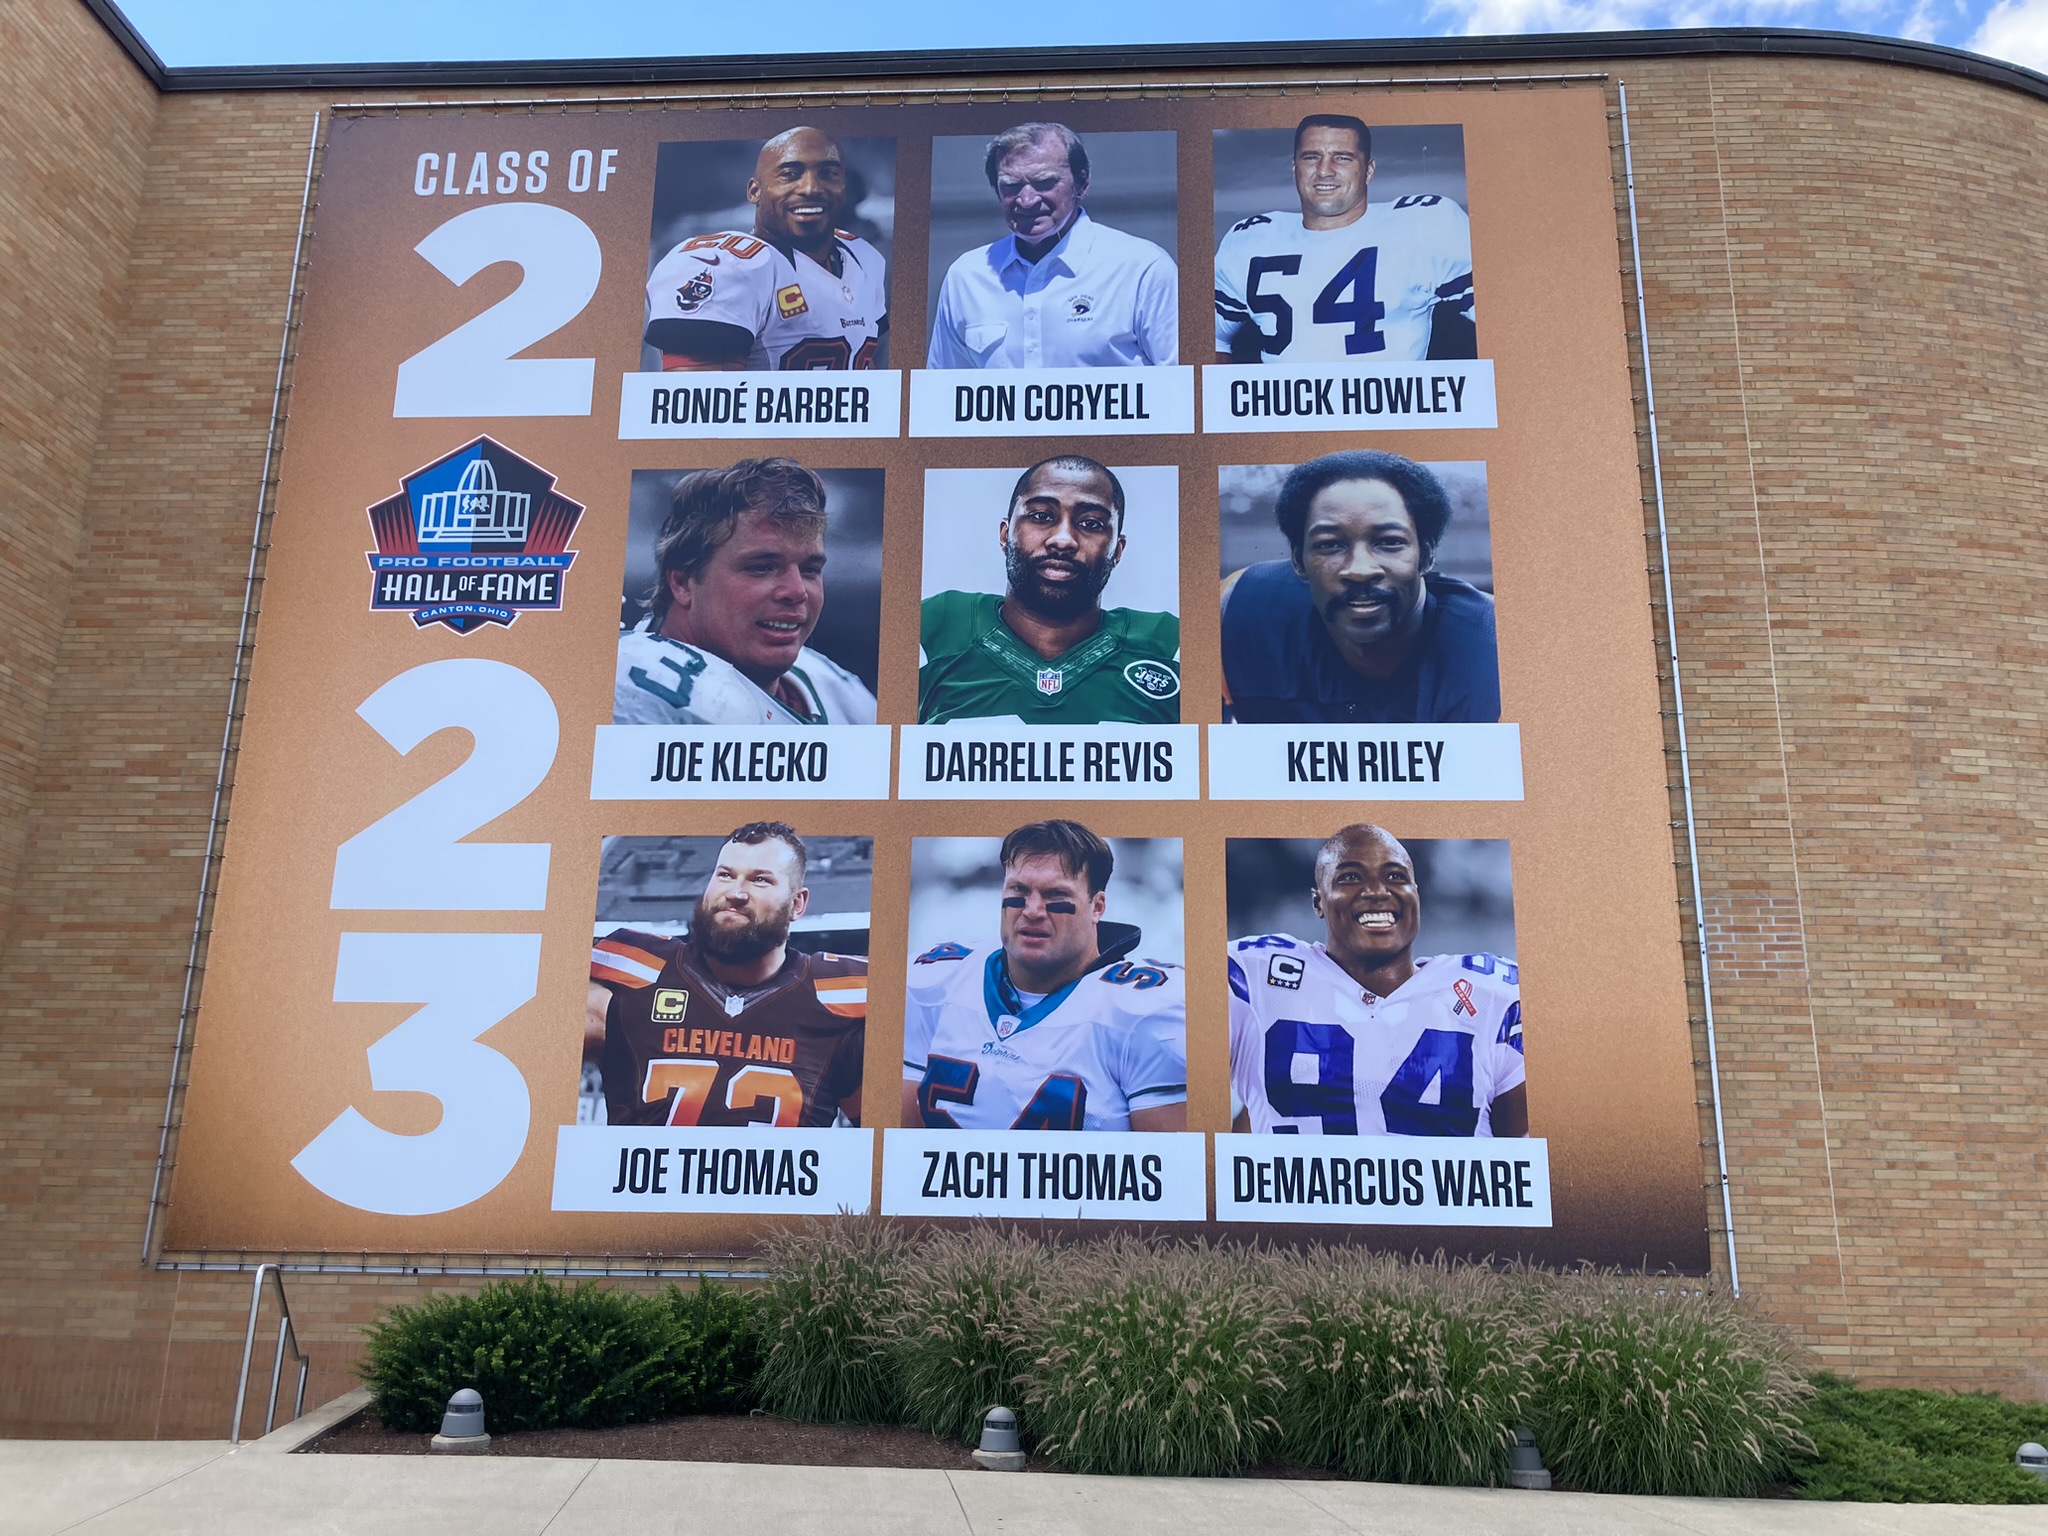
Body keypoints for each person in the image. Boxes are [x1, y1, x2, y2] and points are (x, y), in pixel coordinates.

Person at [1228, 824, 1525, 1137]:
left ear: (1416, 896)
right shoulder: (1254, 974)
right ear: (1319, 902)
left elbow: (1522, 1151)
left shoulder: (1491, 993)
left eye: (1395, 876)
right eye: (1350, 877)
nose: (1377, 891)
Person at [903, 821, 1186, 1132]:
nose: (1033, 910)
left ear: (1098, 906)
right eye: (1019, 891)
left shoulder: (1145, 1010)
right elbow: (895, 1144)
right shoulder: (933, 978)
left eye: (1055, 894)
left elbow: (1170, 1171)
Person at [589, 823, 867, 1128]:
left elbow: (887, 1138)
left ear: (797, 903)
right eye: (725, 875)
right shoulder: (629, 966)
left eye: (760, 880)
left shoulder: (842, 996)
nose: (735, 893)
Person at [1221, 451, 1497, 724]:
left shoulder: (1497, 651)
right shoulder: (1236, 611)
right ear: (1298, 559)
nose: (1360, 570)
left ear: (1426, 555)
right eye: (1329, 544)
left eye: (1389, 542)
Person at [615, 458, 877, 725]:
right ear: (682, 583)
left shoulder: (835, 686)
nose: (797, 591)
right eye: (762, 568)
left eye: (810, 570)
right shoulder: (632, 688)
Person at [920, 455, 1180, 724]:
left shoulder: (1171, 648)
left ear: (1117, 550)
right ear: (1004, 535)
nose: (1063, 540)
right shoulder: (931, 630)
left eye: (1091, 523)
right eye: (1041, 516)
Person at [1213, 113, 1475, 363]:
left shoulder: (1427, 225)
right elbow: (1212, 340)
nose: (1324, 170)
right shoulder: (1250, 240)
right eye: (1311, 157)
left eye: (1343, 158)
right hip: (1289, 408)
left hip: (1394, 406)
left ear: (1369, 170)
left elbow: (1504, 320)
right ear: (1294, 168)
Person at [928, 122, 1177, 369]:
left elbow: (1184, 391)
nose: (1026, 200)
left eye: (1044, 183)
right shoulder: (966, 277)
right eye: (1011, 186)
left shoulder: (1143, 269)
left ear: (1082, 183)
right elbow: (944, 395)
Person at [644, 126, 888, 372]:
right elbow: (699, 402)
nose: (811, 188)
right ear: (754, 191)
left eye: (829, 174)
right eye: (791, 174)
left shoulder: (863, 258)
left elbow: (866, 366)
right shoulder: (728, 265)